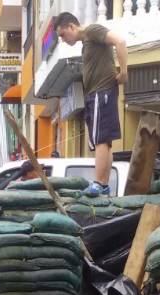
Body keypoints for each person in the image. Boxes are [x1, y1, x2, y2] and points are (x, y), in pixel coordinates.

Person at [55, 11, 127, 197]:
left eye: (63, 34)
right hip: (96, 94)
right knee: (103, 142)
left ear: (72, 26)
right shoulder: (86, 42)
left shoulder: (92, 31)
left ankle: (99, 183)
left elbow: (120, 41)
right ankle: (103, 184)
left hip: (101, 92)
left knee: (101, 139)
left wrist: (124, 71)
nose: (63, 39)